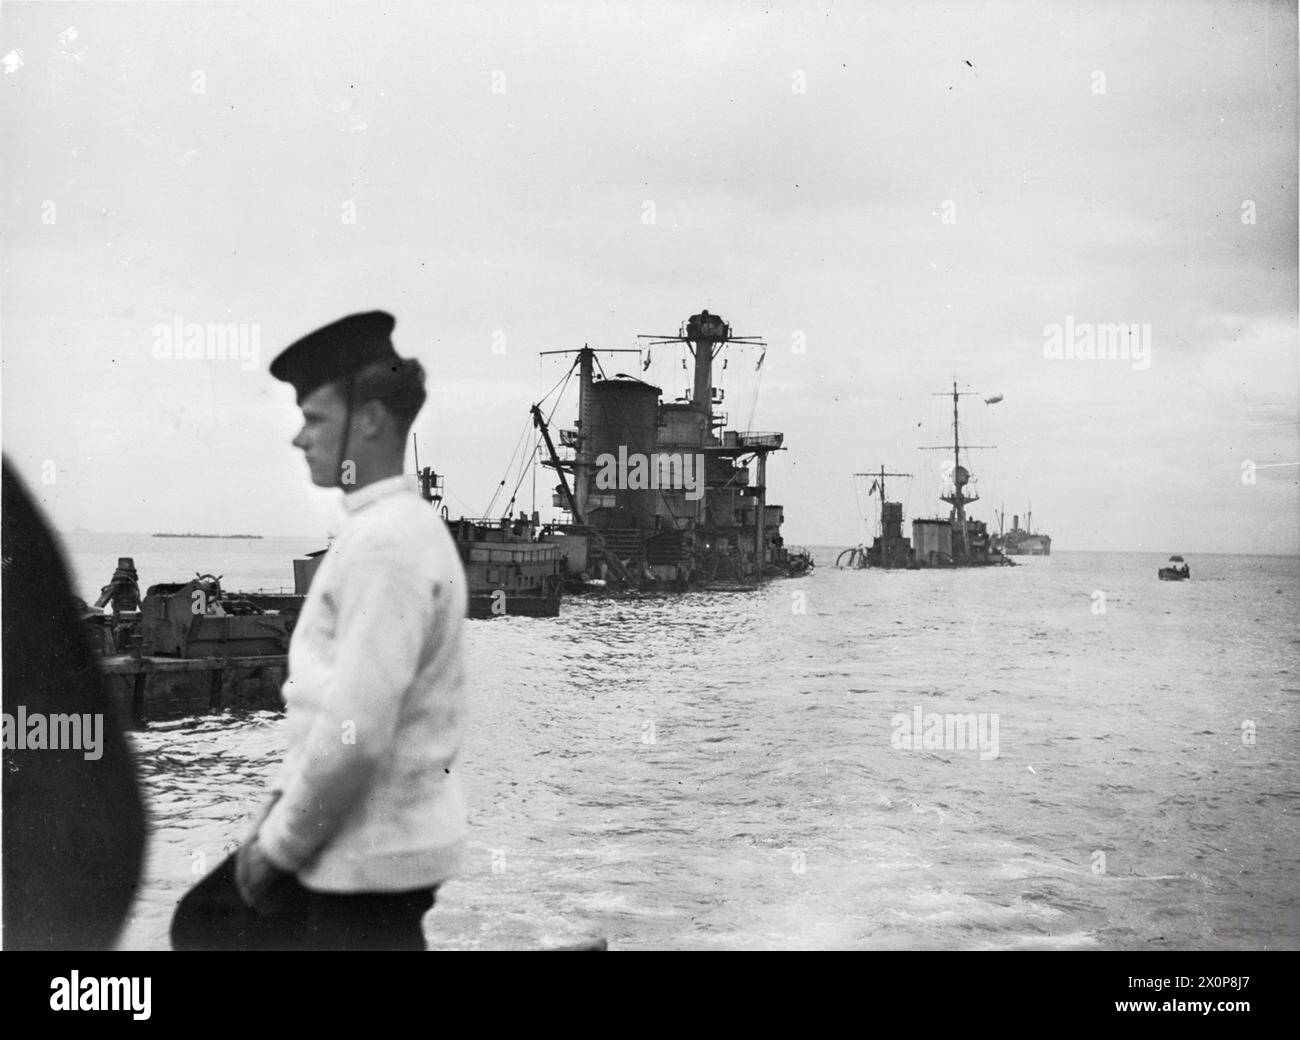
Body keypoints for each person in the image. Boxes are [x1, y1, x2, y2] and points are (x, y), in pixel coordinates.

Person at [172, 310, 468, 951]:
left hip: (362, 861)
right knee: (204, 924)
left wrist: (274, 850)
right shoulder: (392, 529)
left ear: (369, 420)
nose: (299, 438)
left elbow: (355, 735)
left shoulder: (385, 544)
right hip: (375, 846)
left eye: (314, 418)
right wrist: (274, 816)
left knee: (205, 930)